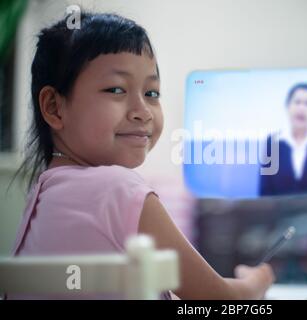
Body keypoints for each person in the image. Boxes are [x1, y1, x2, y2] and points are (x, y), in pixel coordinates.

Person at [10, 12, 274, 299]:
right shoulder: (117, 187)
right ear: (54, 107)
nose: (143, 111)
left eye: (151, 93)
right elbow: (220, 301)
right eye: (116, 89)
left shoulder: (44, 195)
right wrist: (257, 281)